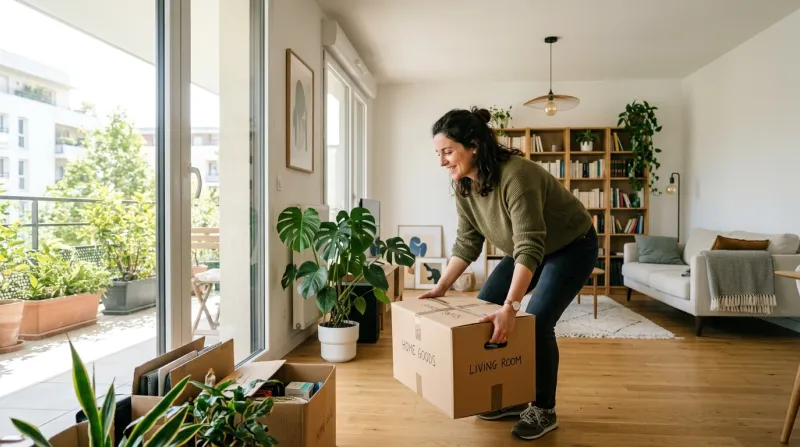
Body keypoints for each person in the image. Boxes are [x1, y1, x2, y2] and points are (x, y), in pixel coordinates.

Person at [419, 106, 599, 441]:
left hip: (571, 245)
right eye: (438, 153)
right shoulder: (464, 185)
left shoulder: (517, 176)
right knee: (484, 307)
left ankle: (543, 409)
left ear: (473, 145)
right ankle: (513, 397)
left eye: (447, 152)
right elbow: (467, 242)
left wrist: (512, 307)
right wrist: (442, 286)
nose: (441, 162)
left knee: (538, 323)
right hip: (528, 249)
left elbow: (531, 244)